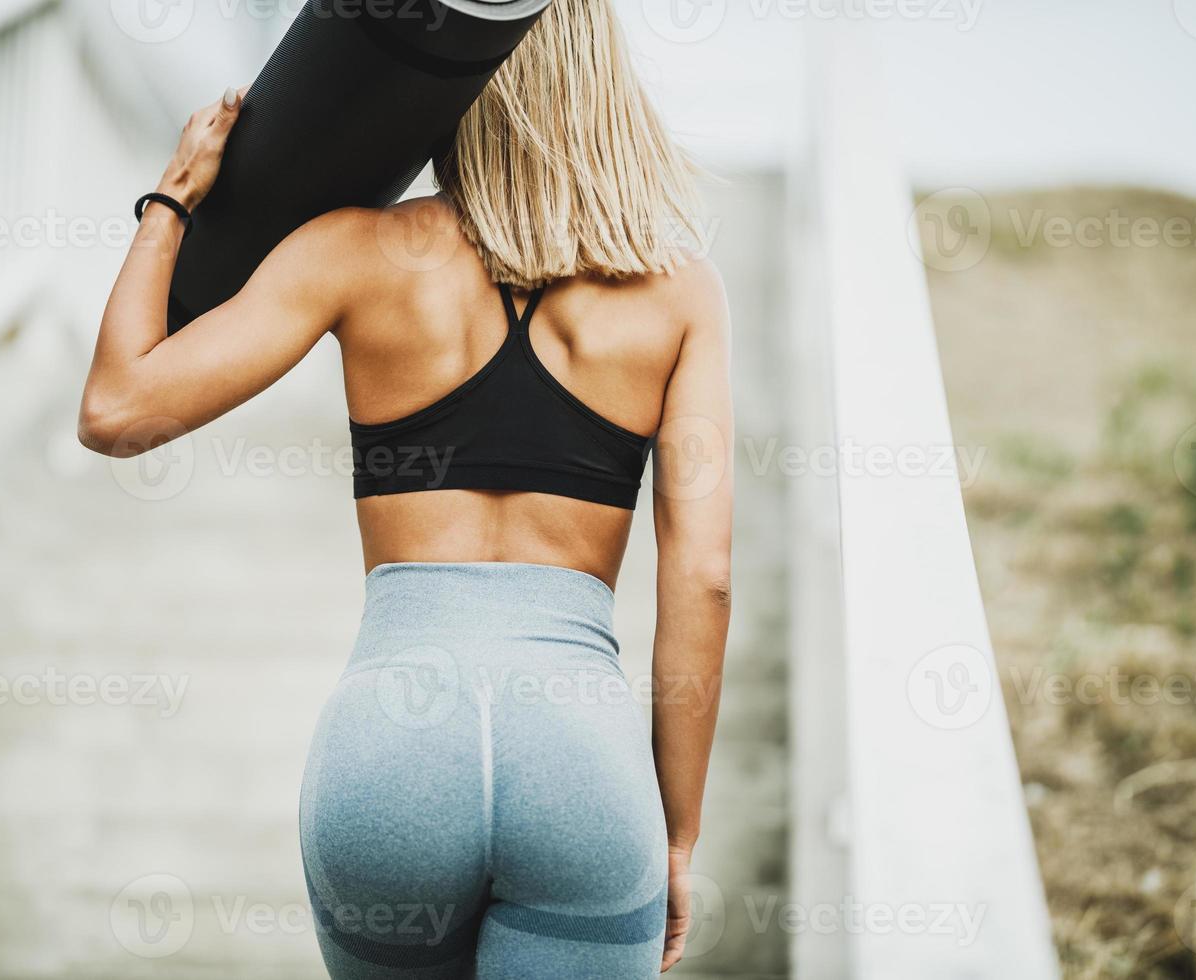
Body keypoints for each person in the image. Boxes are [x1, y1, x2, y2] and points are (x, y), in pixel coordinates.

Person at [78, 0, 732, 973]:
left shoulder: (352, 251)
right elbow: (705, 577)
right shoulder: (680, 289)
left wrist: (171, 201)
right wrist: (675, 837)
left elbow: (116, 408)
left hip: (390, 750)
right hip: (580, 758)